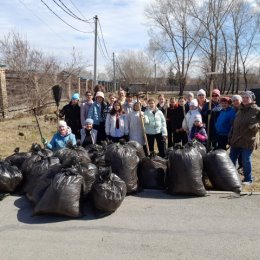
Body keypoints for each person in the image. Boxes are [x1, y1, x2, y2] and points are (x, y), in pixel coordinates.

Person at [229, 91, 260, 184]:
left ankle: (248, 179)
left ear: (252, 99)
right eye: (244, 97)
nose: (245, 99)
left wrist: (256, 126)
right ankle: (232, 178)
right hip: (236, 139)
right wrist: (230, 137)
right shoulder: (240, 109)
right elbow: (234, 125)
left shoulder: (257, 110)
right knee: (231, 159)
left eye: (247, 97)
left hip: (248, 140)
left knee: (245, 160)